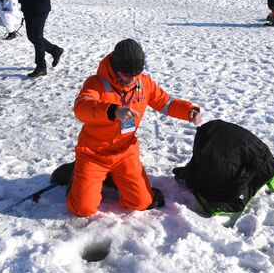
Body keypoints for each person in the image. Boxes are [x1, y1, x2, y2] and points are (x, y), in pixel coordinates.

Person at [66, 39, 202, 217]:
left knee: (142, 202)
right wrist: (112, 110)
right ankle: (75, 178)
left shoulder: (143, 83)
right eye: (127, 75)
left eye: (136, 74)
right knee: (83, 209)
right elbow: (81, 107)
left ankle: (110, 178)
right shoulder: (96, 83)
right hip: (93, 153)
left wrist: (189, 111)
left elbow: (166, 102)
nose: (132, 79)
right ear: (115, 68)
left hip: (125, 152)